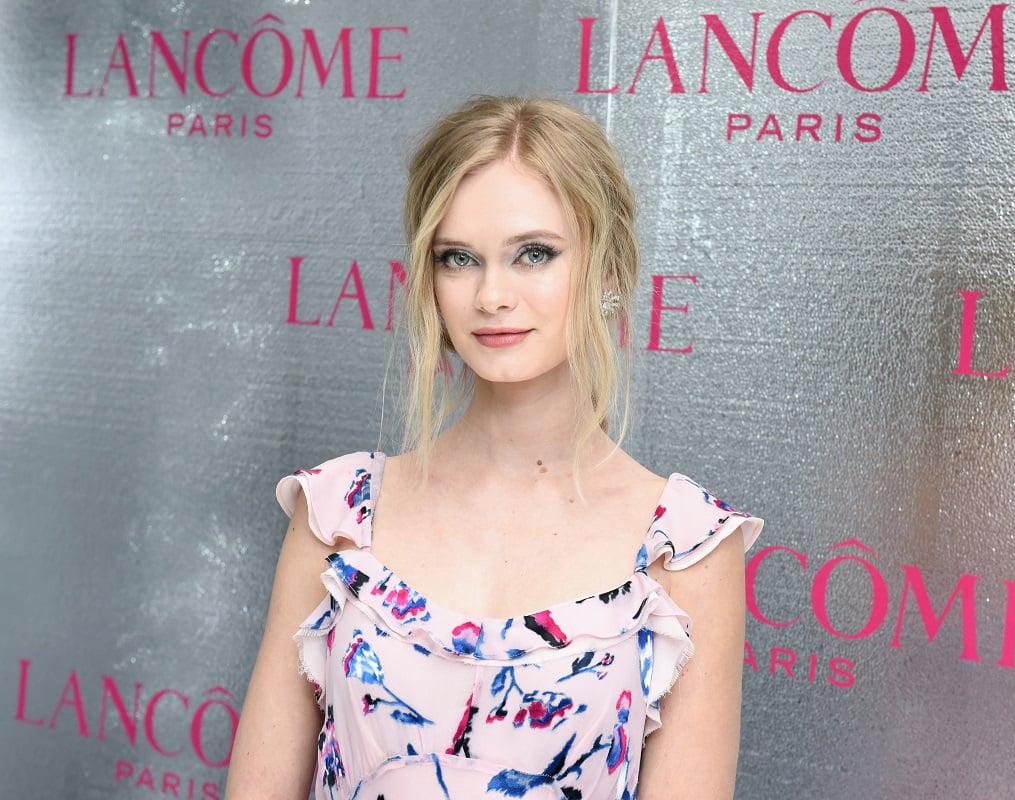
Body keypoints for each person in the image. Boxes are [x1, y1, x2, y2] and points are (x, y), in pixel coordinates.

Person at [225, 96, 763, 800]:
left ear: (607, 270)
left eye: (534, 254)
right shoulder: (338, 516)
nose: (491, 295)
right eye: (459, 259)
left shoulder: (686, 549)